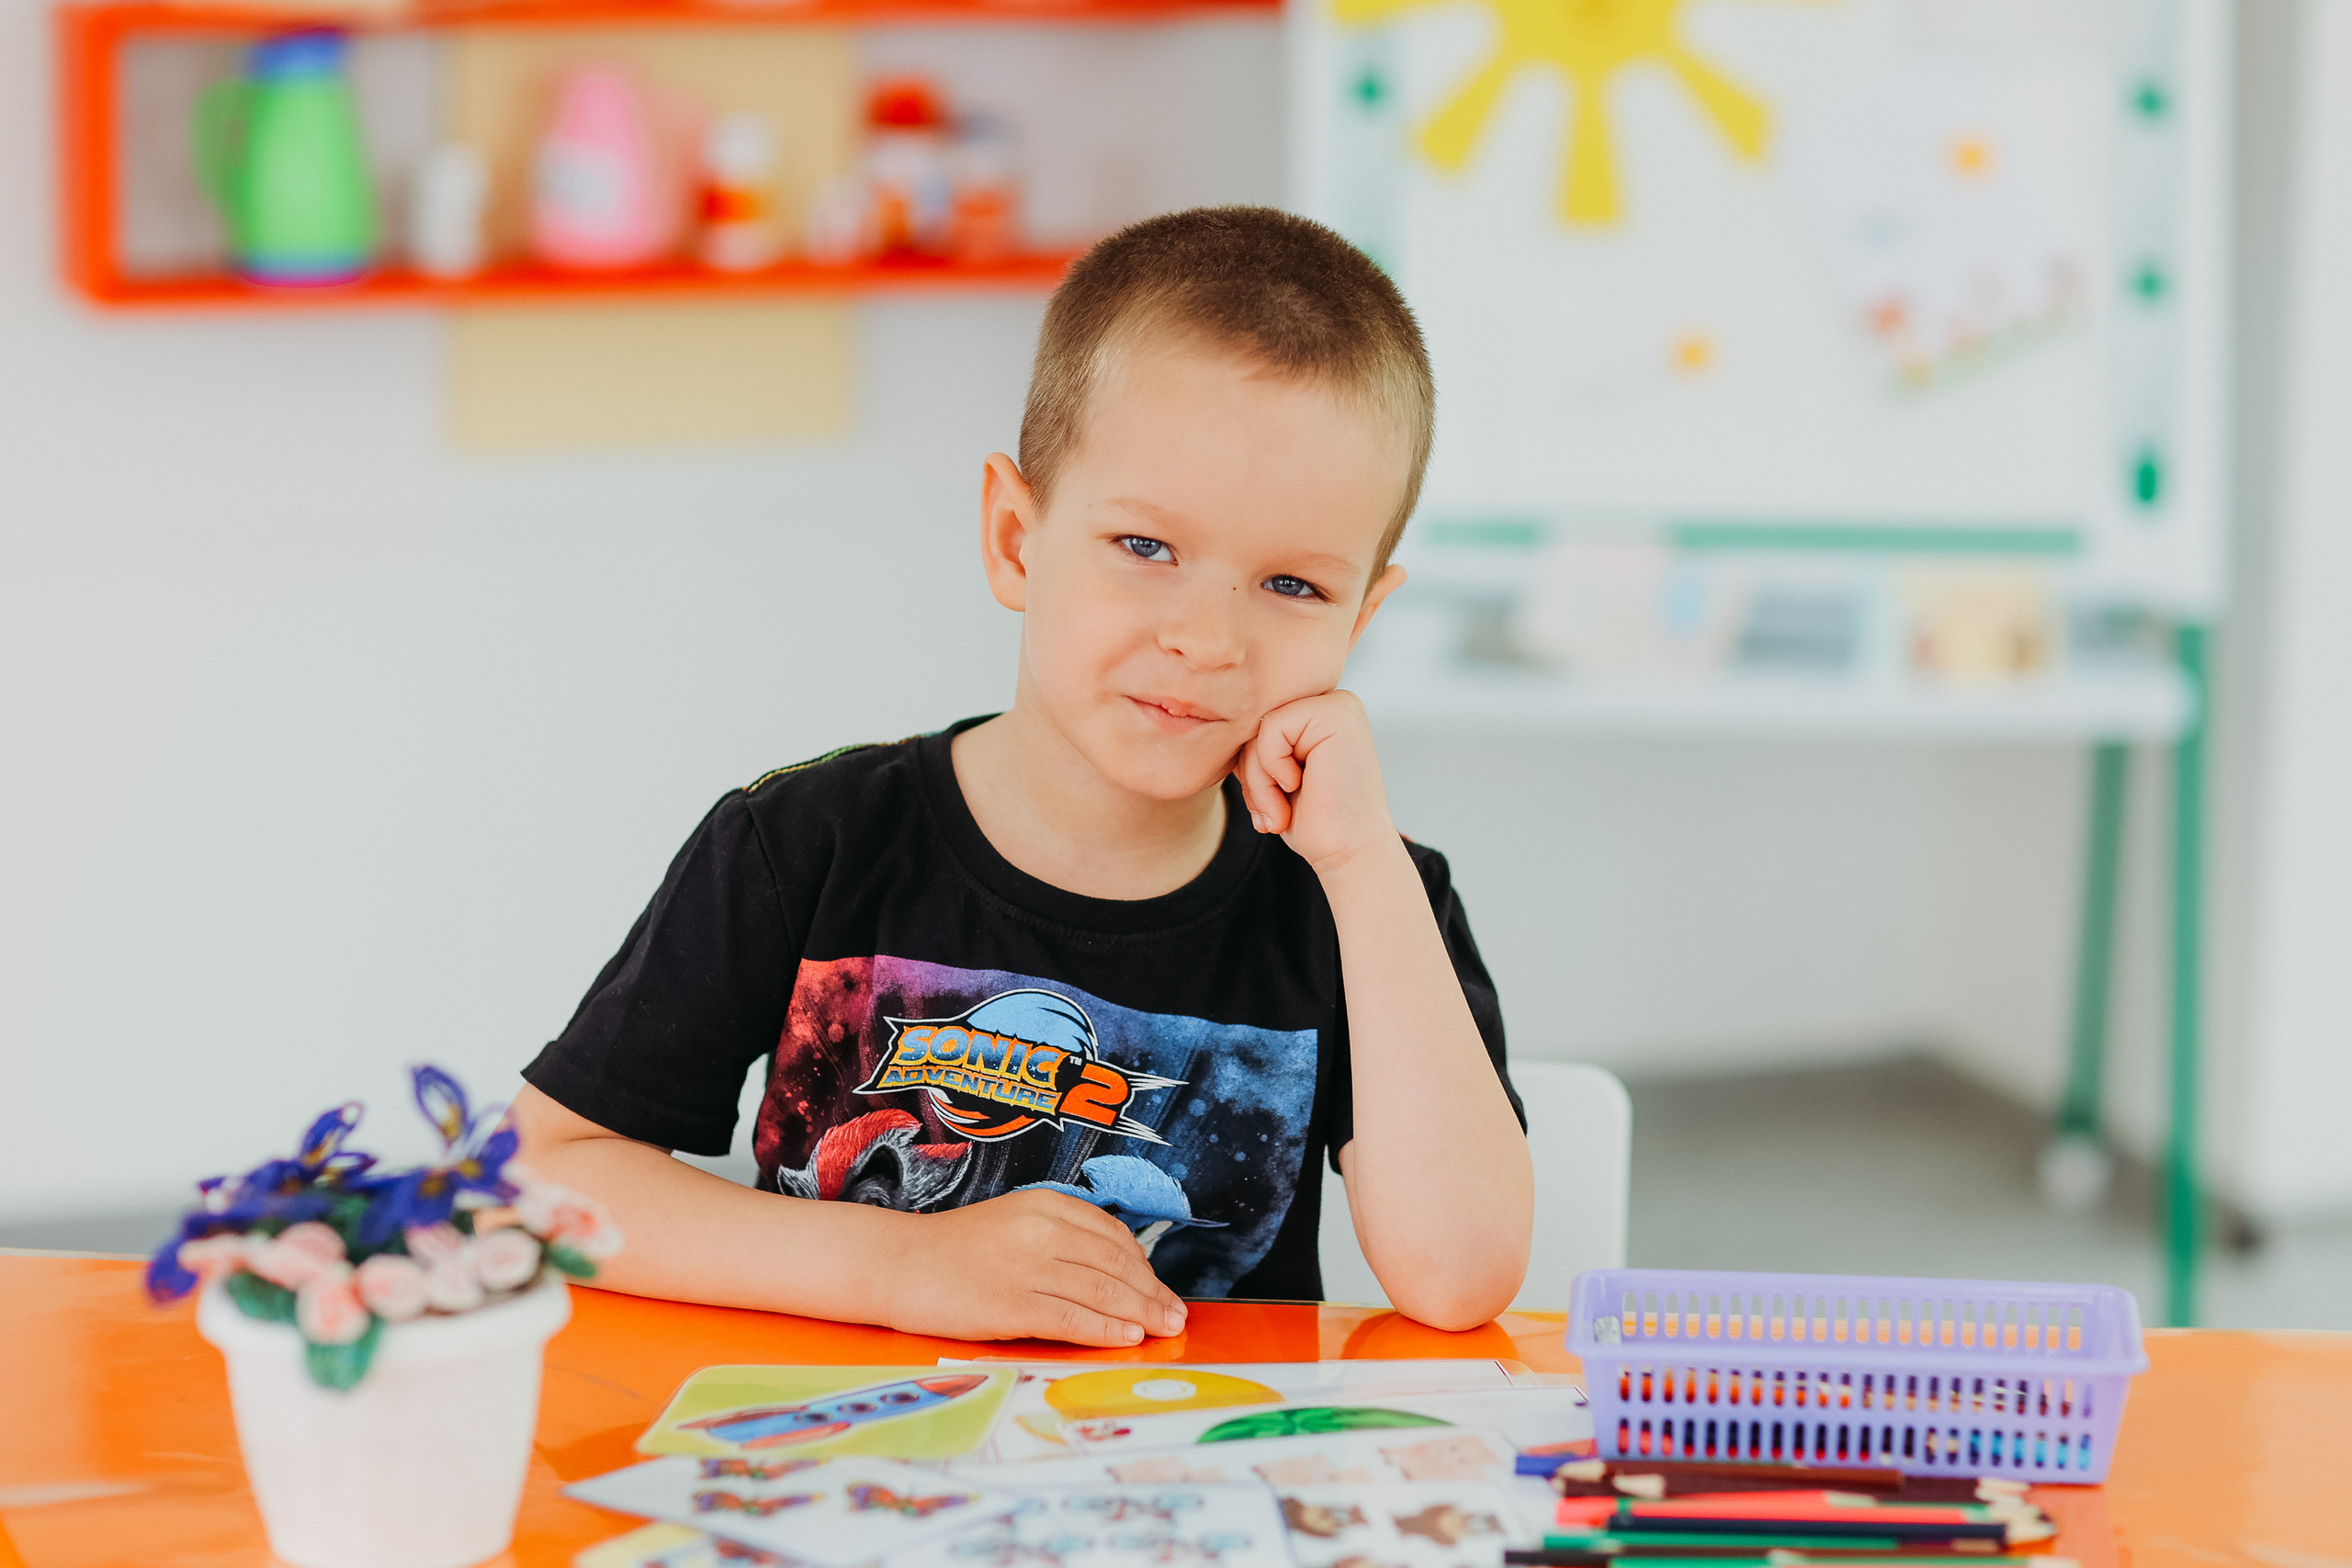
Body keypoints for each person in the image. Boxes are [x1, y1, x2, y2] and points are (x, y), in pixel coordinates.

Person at [511, 206, 1533, 1345]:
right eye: (1147, 549)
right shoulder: (806, 843)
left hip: (1189, 1490)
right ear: (1013, 537)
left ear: (1361, 617)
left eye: (1293, 586)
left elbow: (1458, 1279)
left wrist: (1358, 864)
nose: (1207, 639)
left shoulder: (1367, 898)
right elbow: (546, 1184)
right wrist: (902, 1269)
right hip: (842, 1474)